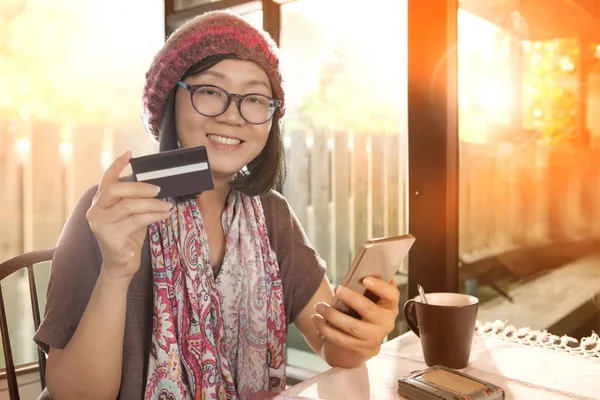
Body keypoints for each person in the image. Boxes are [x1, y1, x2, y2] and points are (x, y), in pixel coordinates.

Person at [33, 10, 400, 400]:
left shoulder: (272, 214)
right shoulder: (111, 213)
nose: (232, 115)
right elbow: (73, 395)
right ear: (170, 101)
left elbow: (332, 346)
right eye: (210, 90)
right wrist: (116, 271)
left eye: (255, 98)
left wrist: (363, 334)